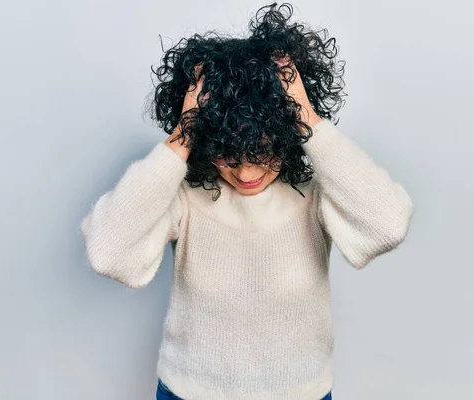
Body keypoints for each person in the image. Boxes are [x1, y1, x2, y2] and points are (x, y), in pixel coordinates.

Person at [80, 3, 413, 399]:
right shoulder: (185, 198)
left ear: (288, 136)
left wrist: (305, 115)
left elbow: (388, 223)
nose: (247, 174)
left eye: (264, 151)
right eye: (230, 156)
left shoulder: (316, 193)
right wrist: (183, 136)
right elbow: (107, 252)